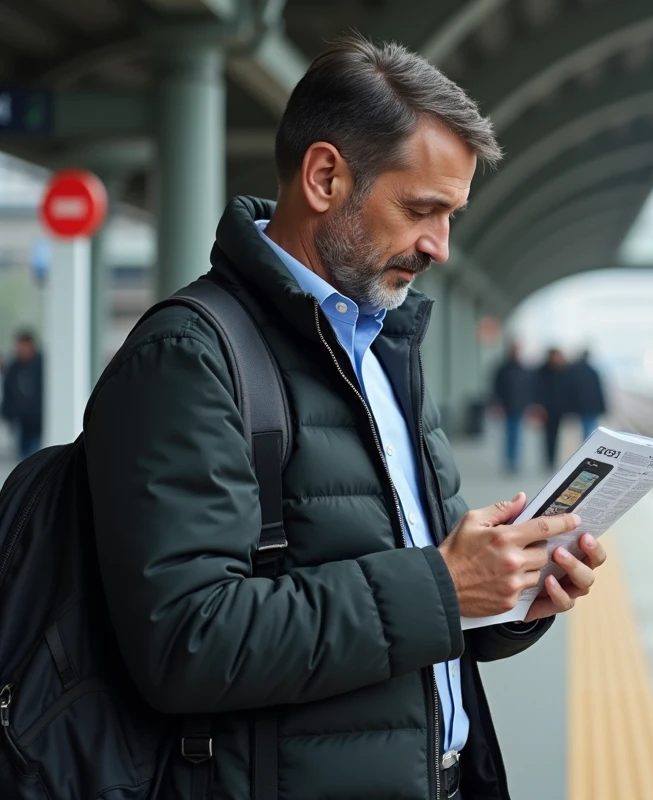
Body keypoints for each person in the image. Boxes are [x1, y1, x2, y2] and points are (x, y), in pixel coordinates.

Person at [83, 34, 607, 800]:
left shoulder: (387, 349)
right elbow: (186, 642)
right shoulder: (189, 357)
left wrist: (514, 594)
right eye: (422, 209)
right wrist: (444, 585)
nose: (440, 246)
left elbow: (433, 601)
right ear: (325, 176)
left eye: (452, 215)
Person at [491, 342, 534, 474]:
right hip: (507, 406)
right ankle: (510, 460)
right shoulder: (503, 369)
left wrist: (529, 404)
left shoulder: (523, 369)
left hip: (520, 406)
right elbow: (496, 388)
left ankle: (515, 460)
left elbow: (528, 389)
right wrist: (497, 404)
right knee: (510, 434)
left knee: (517, 434)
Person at [1, 330, 43, 460]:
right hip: (21, 422)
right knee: (24, 457)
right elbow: (8, 392)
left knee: (36, 456)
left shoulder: (42, 366)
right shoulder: (14, 368)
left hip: (39, 420)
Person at [536, 348, 572, 469]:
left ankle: (554, 459)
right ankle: (549, 460)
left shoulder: (564, 371)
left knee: (557, 435)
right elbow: (538, 390)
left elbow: (568, 390)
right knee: (548, 435)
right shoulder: (542, 371)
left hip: (559, 408)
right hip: (546, 409)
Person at [569, 348, 606, 439]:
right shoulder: (593, 371)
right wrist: (602, 408)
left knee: (586, 427)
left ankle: (587, 443)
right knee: (591, 427)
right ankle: (590, 443)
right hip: (592, 405)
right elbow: (598, 391)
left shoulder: (575, 371)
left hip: (582, 406)